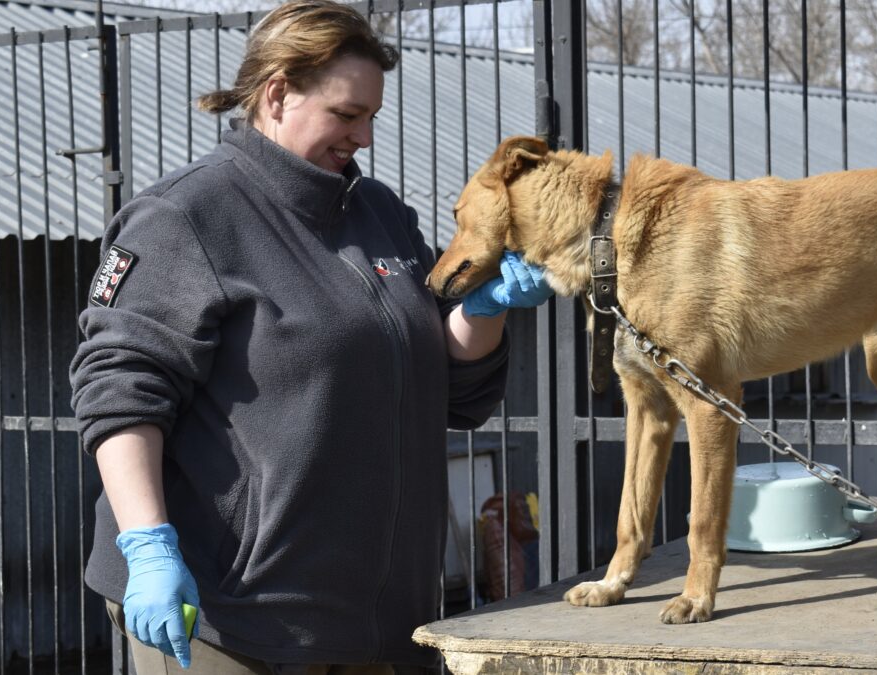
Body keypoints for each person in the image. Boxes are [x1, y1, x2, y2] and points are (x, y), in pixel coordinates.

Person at [68, 2, 552, 673]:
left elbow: (449, 389)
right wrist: (148, 546)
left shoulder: (379, 213)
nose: (365, 136)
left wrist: (487, 305)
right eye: (348, 114)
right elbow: (119, 392)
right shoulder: (188, 215)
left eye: (372, 115)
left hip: (382, 618)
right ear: (276, 94)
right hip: (233, 617)